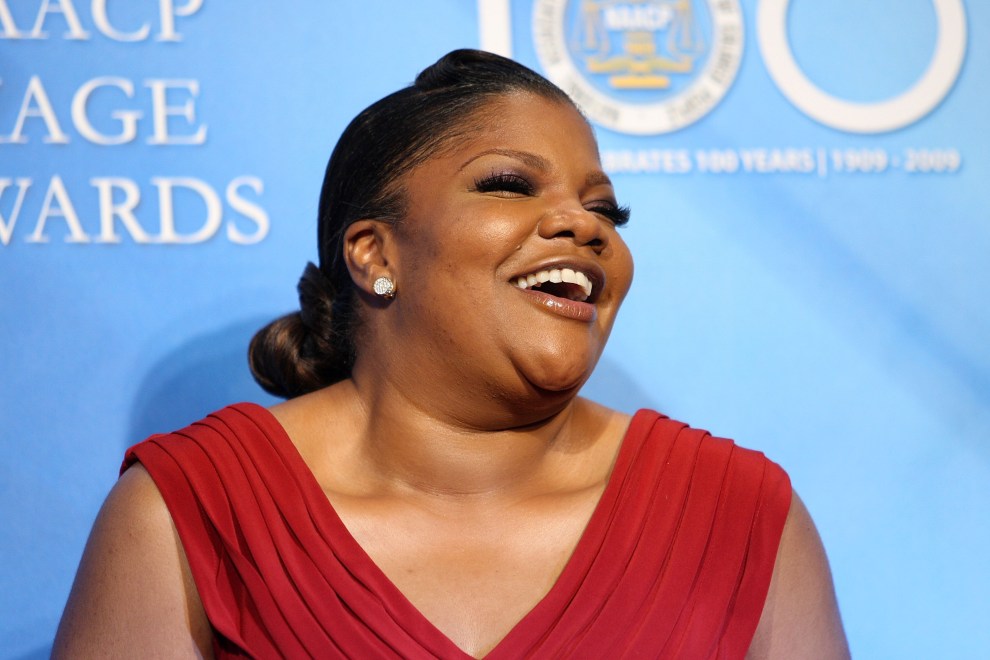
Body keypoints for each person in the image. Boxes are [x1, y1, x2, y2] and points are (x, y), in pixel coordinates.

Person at [53, 49, 849, 658]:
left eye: (606, 208)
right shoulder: (190, 510)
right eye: (508, 184)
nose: (585, 225)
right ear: (374, 254)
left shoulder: (742, 515)